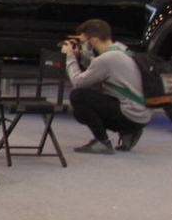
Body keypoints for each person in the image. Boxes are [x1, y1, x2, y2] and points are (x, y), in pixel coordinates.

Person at [62, 18, 152, 154]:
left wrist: (70, 57)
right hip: (141, 114)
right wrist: (81, 56)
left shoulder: (107, 59)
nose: (83, 45)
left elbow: (78, 82)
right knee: (91, 98)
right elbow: (100, 68)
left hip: (130, 114)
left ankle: (103, 142)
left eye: (83, 42)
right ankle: (129, 132)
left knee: (78, 96)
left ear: (93, 40)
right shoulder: (121, 49)